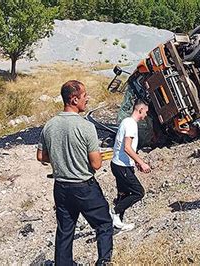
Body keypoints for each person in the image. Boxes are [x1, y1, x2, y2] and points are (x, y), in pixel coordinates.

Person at [37, 80, 113, 265]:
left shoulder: (50, 125)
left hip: (61, 188)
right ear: (73, 99)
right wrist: (96, 156)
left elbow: (41, 156)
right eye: (84, 95)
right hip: (84, 187)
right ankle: (103, 262)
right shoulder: (86, 126)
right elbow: (95, 164)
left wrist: (59, 157)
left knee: (65, 230)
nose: (87, 99)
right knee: (103, 224)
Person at [110, 98, 151, 231]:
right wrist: (142, 162)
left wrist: (135, 162)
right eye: (146, 112)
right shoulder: (131, 124)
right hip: (122, 165)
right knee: (138, 192)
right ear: (140, 110)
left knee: (123, 194)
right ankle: (115, 212)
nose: (146, 115)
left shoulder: (126, 121)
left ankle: (117, 225)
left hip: (118, 163)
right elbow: (127, 148)